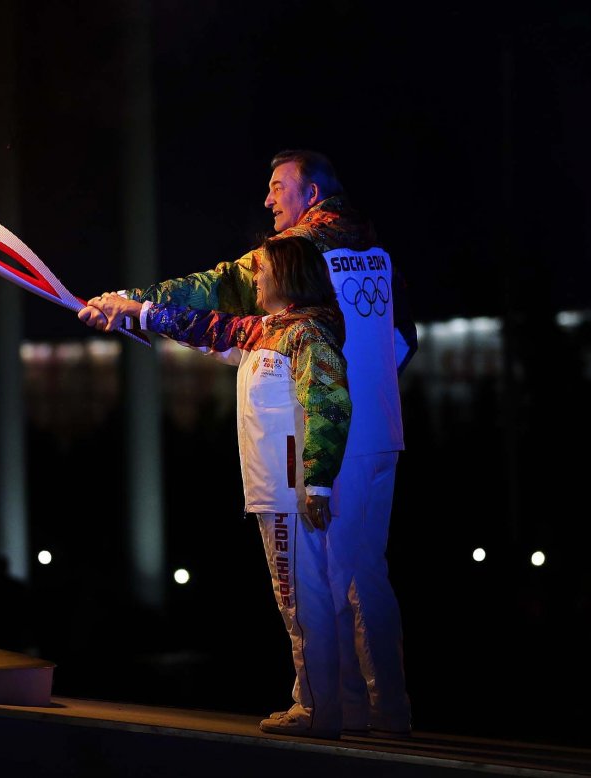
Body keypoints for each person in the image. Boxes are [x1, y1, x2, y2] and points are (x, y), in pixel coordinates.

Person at [79, 149, 415, 738]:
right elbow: (405, 339)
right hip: (377, 431)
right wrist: (366, 392)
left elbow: (215, 291)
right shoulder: (376, 253)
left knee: (316, 577)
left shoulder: (296, 254)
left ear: (312, 194)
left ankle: (328, 707)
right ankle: (382, 707)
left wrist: (132, 302)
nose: (268, 199)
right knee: (364, 573)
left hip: (320, 438)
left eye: (278, 186)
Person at [82, 236, 353, 739]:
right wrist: (131, 310)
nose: (256, 277)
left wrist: (317, 482)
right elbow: (202, 326)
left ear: (289, 275)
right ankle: (328, 704)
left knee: (301, 597)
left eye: (263, 269)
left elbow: (329, 404)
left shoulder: (307, 333)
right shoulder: (265, 330)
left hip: (292, 492)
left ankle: (318, 709)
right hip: (277, 491)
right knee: (299, 596)